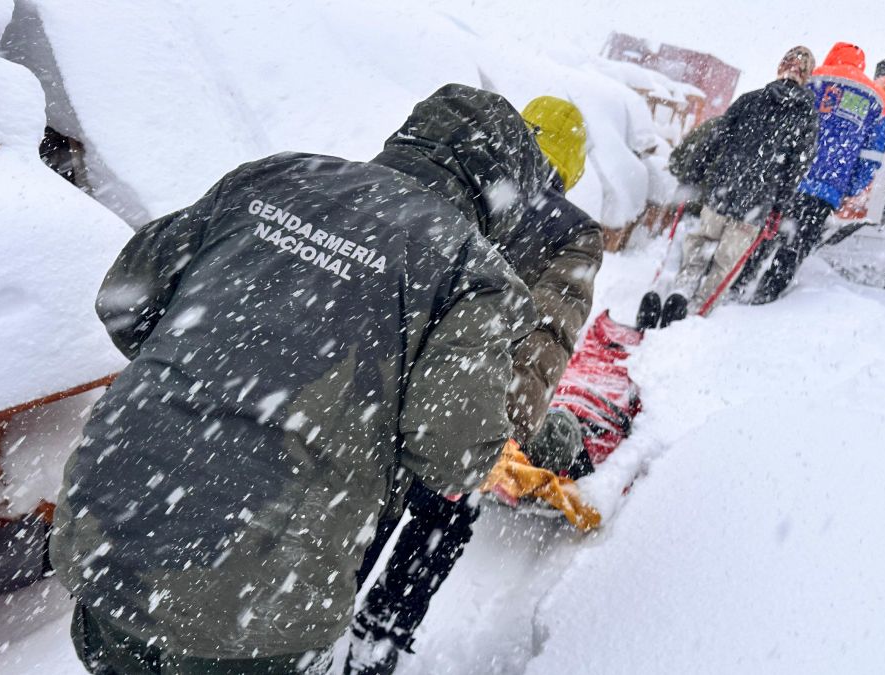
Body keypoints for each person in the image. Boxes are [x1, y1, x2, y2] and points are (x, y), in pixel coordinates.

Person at [50, 83, 551, 674]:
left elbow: (125, 301)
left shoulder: (276, 177)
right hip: (257, 593)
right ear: (501, 197)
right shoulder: (471, 270)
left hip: (108, 529)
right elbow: (454, 453)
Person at [346, 96, 604, 675]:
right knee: (443, 517)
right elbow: (546, 336)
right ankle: (380, 638)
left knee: (371, 507)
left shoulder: (475, 182)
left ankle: (324, 619)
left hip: (397, 385)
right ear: (572, 164)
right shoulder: (573, 232)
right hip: (473, 405)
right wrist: (504, 430)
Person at [659, 46, 819, 324]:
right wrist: (778, 210)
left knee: (700, 245)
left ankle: (681, 293)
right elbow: (795, 170)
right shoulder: (806, 118)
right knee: (726, 264)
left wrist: (692, 177)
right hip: (757, 204)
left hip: (722, 191)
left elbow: (714, 140)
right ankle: (697, 313)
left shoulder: (750, 100)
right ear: (807, 77)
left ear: (780, 67)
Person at [751, 42, 885, 304]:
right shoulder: (877, 98)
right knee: (796, 246)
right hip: (827, 189)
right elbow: (873, 152)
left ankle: (739, 281)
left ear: (831, 56)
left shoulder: (813, 78)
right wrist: (853, 185)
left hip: (790, 178)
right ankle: (765, 296)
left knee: (764, 232)